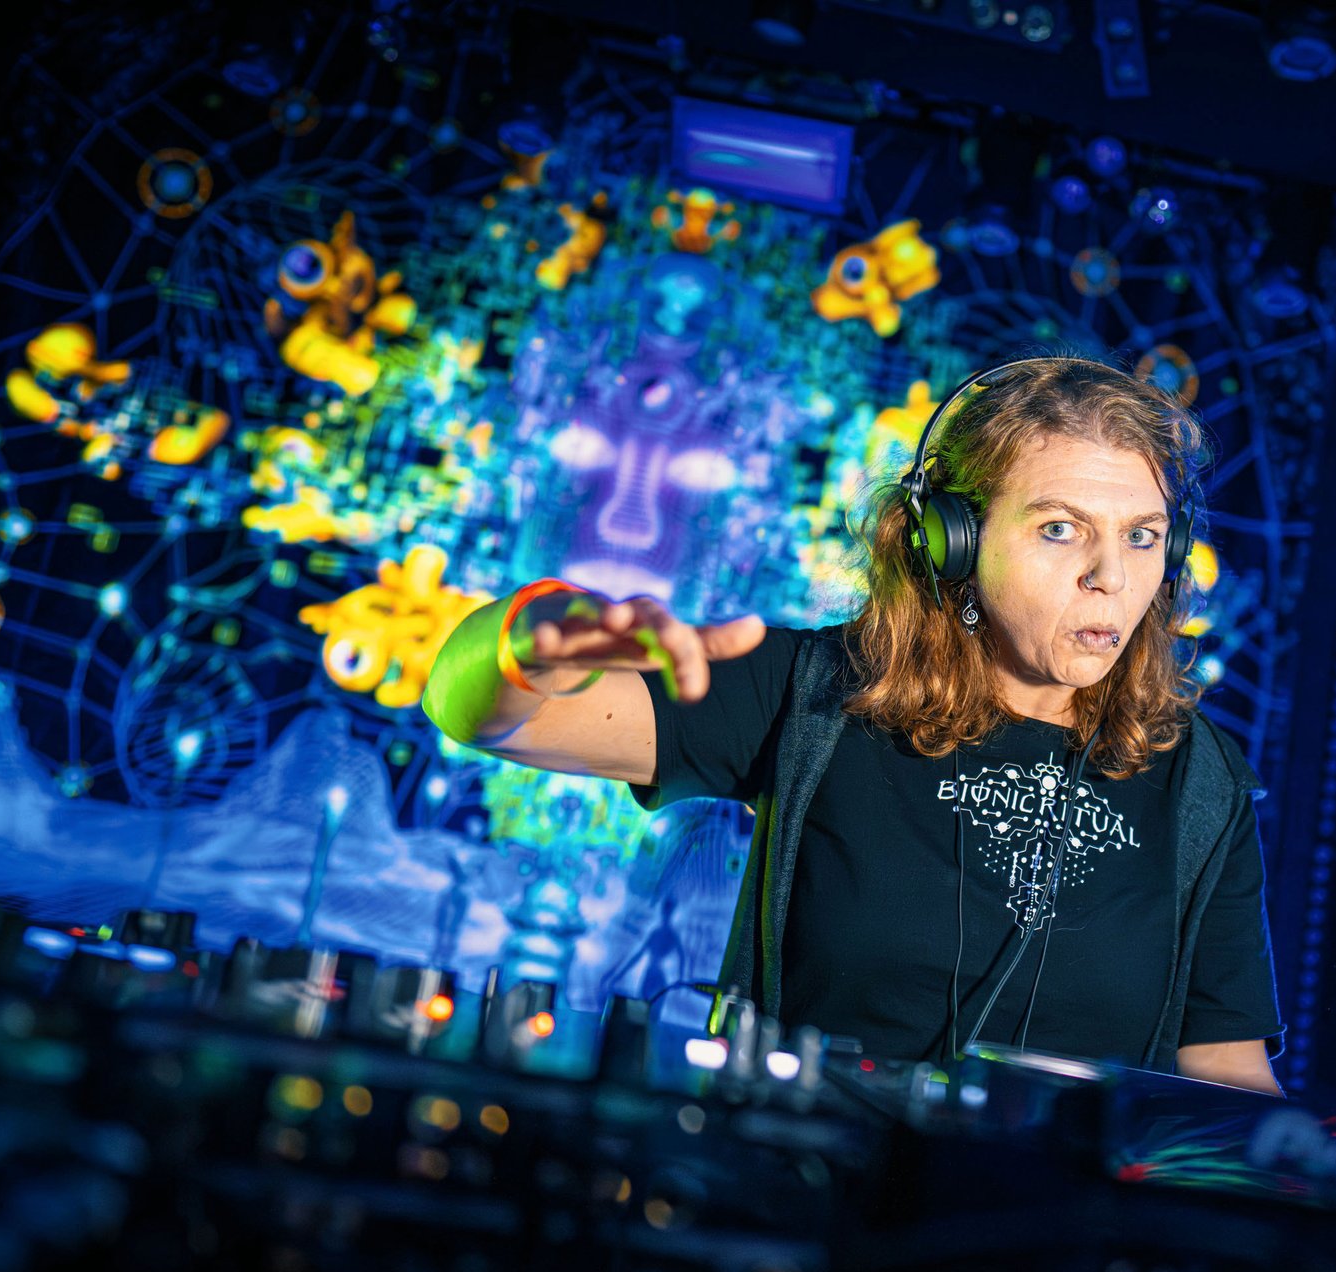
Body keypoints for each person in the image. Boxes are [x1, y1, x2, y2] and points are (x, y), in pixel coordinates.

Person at [423, 356, 1284, 1095]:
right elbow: (477, 713)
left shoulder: (1198, 780)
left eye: (1142, 537)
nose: (1110, 577)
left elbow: (1225, 1080)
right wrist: (533, 640)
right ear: (949, 540)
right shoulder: (815, 694)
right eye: (1061, 529)